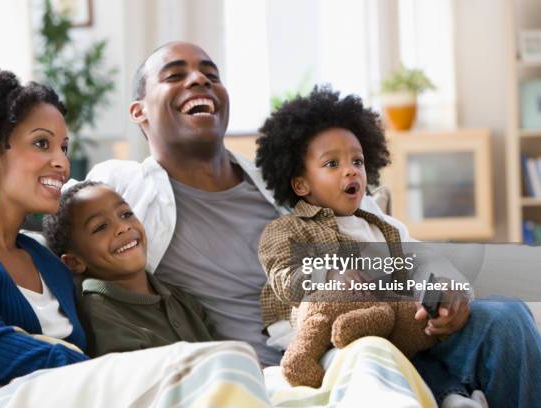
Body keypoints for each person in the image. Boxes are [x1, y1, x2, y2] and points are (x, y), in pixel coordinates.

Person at [86, 41, 541, 407]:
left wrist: (446, 287)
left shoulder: (284, 181)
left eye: (210, 72)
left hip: (387, 324)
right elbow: (69, 221)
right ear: (139, 112)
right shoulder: (124, 189)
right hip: (295, 360)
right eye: (175, 75)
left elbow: (395, 246)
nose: (199, 78)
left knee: (505, 316)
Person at [0, 68, 273, 407]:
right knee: (222, 363)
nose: (61, 163)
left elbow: (112, 306)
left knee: (228, 366)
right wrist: (95, 371)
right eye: (41, 143)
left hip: (55, 393)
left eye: (63, 148)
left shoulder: (47, 260)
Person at [255, 86, 488, 407]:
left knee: (417, 355)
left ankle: (452, 397)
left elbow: (421, 262)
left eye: (357, 160)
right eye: (332, 164)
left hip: (385, 323)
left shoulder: (384, 229)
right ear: (300, 184)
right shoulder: (286, 229)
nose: (351, 169)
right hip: (320, 337)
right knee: (367, 359)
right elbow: (283, 275)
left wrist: (442, 291)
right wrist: (327, 276)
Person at [42, 181, 213, 356]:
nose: (123, 227)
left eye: (126, 214)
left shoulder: (180, 298)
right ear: (74, 262)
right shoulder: (99, 315)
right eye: (100, 227)